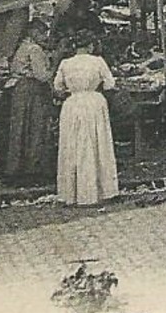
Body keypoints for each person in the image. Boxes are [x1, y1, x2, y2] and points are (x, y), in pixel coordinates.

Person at [51, 32, 119, 206]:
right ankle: (100, 191)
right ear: (90, 45)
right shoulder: (98, 61)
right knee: (96, 144)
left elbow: (58, 87)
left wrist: (72, 89)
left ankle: (73, 193)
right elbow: (110, 84)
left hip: (73, 104)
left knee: (74, 146)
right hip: (94, 103)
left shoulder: (65, 64)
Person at [0, 19, 57, 185]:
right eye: (41, 33)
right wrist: (55, 65)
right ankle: (33, 169)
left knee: (20, 128)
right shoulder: (34, 49)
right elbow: (42, 76)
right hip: (31, 90)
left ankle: (16, 168)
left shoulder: (22, 47)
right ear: (33, 32)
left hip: (19, 90)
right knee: (35, 127)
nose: (44, 37)